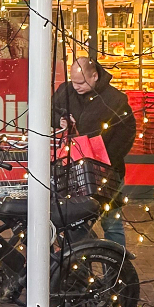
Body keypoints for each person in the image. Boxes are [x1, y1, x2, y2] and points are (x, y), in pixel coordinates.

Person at [52, 57, 136, 242]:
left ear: (95, 76)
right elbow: (51, 111)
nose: (76, 86)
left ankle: (116, 267)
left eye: (81, 82)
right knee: (75, 223)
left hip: (107, 171)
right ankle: (85, 260)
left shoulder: (115, 100)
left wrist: (105, 159)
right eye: (74, 81)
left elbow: (127, 135)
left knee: (111, 224)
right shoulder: (65, 91)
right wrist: (60, 120)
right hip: (74, 170)